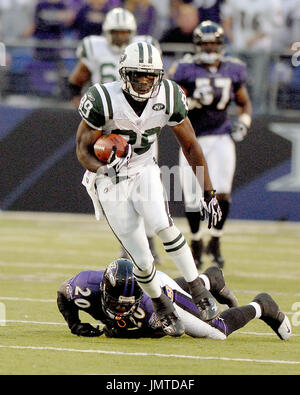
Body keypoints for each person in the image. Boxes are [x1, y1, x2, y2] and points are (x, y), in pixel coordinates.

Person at [75, 41, 223, 337]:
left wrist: (208, 190)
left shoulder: (169, 94)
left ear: (159, 76)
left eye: (149, 76)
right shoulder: (103, 98)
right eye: (137, 75)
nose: (144, 81)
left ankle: (196, 287)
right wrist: (104, 168)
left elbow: (190, 144)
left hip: (144, 167)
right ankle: (161, 304)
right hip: (109, 179)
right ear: (123, 74)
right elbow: (82, 149)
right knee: (141, 257)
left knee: (162, 225)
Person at [69, 7, 162, 265]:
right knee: (118, 187)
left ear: (132, 33)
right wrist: (86, 110)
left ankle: (149, 242)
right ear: (106, 33)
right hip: (109, 127)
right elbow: (75, 82)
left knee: (146, 185)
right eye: (116, 32)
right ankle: (129, 243)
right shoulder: (95, 48)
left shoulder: (144, 50)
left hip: (141, 122)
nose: (121, 37)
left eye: (125, 32)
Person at [170, 21, 252, 269]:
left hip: (221, 135)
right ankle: (196, 242)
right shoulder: (185, 69)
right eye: (204, 44)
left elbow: (244, 102)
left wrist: (245, 122)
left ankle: (215, 240)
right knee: (193, 197)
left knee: (223, 191)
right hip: (191, 139)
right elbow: (174, 102)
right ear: (196, 46)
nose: (209, 48)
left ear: (221, 45)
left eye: (213, 43)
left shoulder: (233, 69)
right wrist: (192, 102)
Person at [57, 259, 292, 341]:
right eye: (117, 303)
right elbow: (62, 294)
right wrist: (74, 324)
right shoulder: (83, 286)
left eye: (125, 306)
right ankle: (209, 280)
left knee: (215, 331)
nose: (120, 310)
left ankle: (262, 306)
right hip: (150, 285)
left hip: (161, 290)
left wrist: (125, 331)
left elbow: (166, 332)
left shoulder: (149, 306)